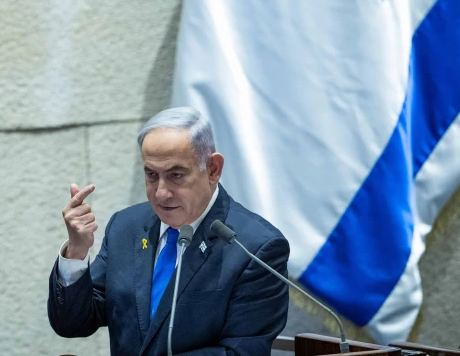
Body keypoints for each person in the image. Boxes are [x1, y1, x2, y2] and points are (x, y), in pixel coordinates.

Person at [47, 107, 289, 355]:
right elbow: (72, 323)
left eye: (176, 175)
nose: (161, 193)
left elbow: (242, 352)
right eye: (152, 175)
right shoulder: (126, 226)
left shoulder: (255, 247)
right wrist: (76, 251)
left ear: (213, 169)